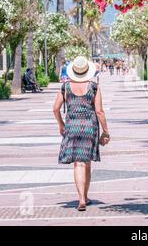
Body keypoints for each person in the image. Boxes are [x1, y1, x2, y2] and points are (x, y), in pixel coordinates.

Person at [53, 56, 111, 212]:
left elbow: (55, 108)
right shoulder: (94, 86)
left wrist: (61, 124)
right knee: (86, 163)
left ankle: (81, 199)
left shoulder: (65, 87)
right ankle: (85, 197)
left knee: (78, 163)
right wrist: (105, 131)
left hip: (72, 126)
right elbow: (99, 111)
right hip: (89, 126)